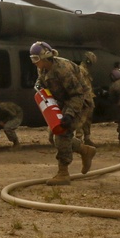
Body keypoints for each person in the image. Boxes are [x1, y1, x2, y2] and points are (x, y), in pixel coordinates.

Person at [30, 41, 96, 185]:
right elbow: (41, 81)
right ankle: (85, 150)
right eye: (32, 59)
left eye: (36, 59)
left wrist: (69, 114)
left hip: (80, 102)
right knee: (52, 136)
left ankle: (63, 173)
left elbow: (77, 94)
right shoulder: (43, 69)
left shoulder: (63, 69)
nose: (34, 62)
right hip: (64, 101)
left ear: (45, 56)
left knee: (62, 134)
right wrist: (38, 85)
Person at [77, 51, 97, 146]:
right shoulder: (80, 70)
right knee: (81, 119)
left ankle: (87, 138)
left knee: (88, 119)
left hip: (89, 97)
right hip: (84, 98)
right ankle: (78, 139)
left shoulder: (86, 71)